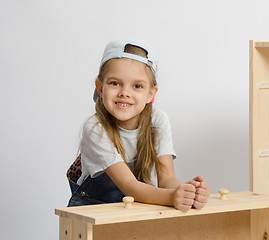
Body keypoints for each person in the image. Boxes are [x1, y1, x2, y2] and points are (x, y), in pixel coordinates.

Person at [66, 39, 210, 211]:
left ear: (151, 94)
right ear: (100, 87)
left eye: (137, 86)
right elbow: (129, 185)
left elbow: (166, 179)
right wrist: (172, 197)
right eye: (114, 83)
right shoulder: (96, 129)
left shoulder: (157, 122)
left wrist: (186, 191)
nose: (124, 93)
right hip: (95, 210)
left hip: (137, 209)